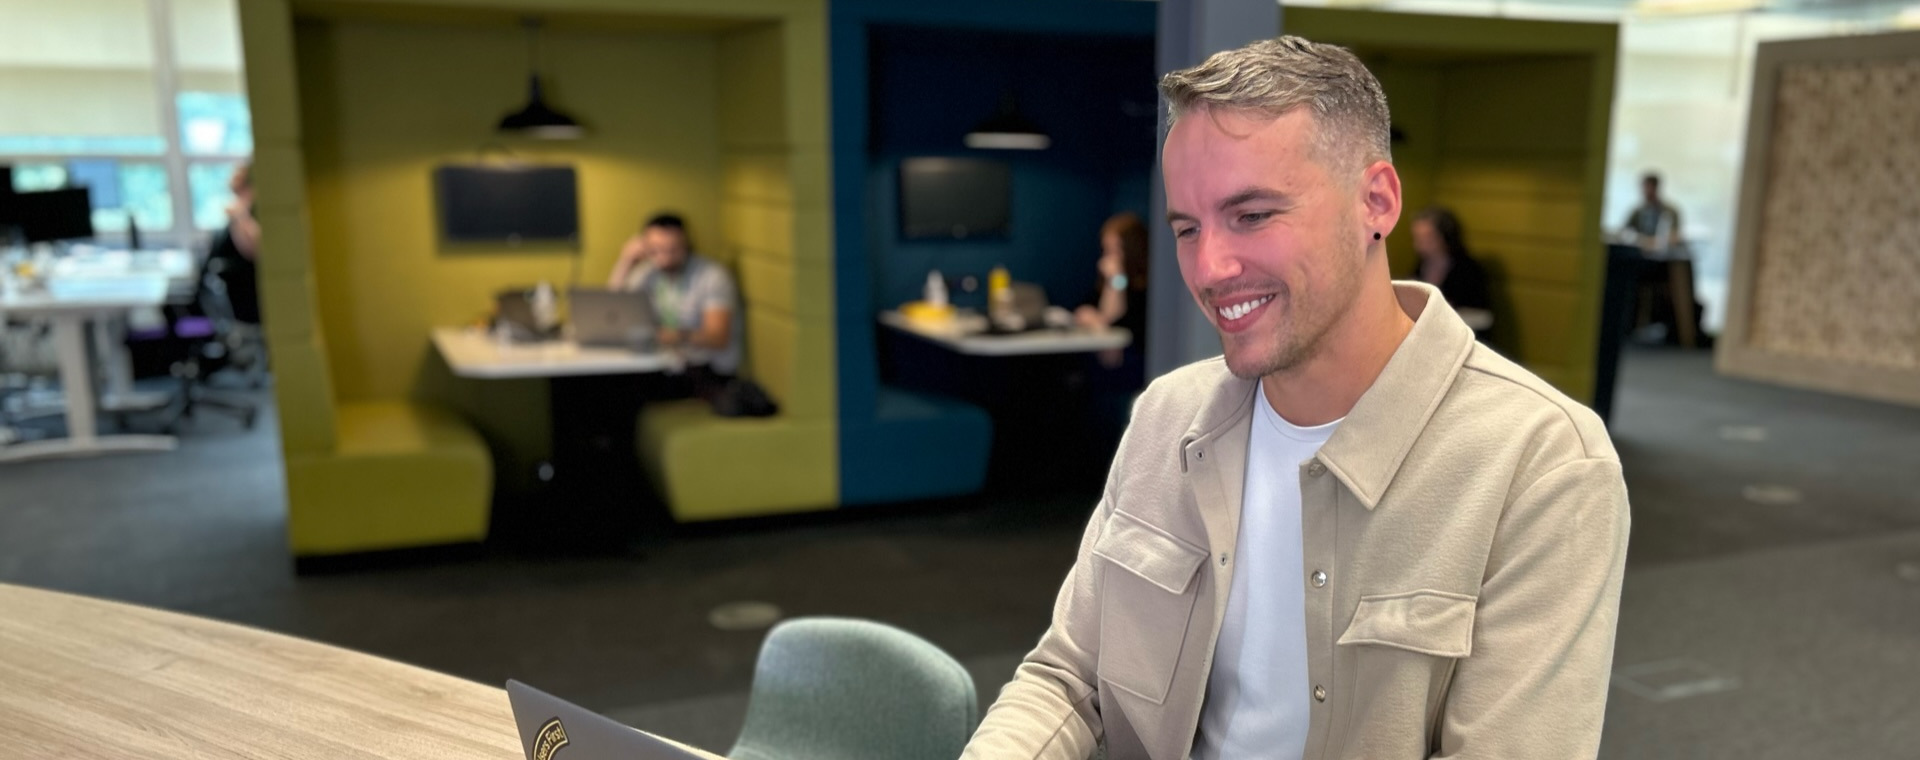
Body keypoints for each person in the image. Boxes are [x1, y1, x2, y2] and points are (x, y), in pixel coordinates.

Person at [962, 36, 1629, 760]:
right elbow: (1071, 678)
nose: (1210, 267)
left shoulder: (1542, 464)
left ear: (1376, 201)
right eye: (1187, 228)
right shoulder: (1167, 415)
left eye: (1252, 215)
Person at [609, 213, 741, 393]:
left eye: (673, 250)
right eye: (656, 250)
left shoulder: (712, 276)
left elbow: (718, 337)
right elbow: (611, 310)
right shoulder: (648, 272)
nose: (665, 258)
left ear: (687, 245)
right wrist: (625, 261)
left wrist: (672, 336)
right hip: (664, 364)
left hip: (705, 370)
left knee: (619, 392)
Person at [1074, 212, 1150, 371]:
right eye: (1106, 250)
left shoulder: (1144, 290)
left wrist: (1116, 279)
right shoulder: (1104, 285)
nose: (1108, 258)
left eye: (1115, 250)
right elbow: (1084, 310)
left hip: (1131, 366)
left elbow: (1110, 317)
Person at [1409, 205, 1495, 344]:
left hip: (1463, 342)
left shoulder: (1468, 269)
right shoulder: (1421, 266)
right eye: (1417, 239)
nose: (1419, 245)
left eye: (1428, 239)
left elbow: (1484, 318)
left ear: (1446, 237)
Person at [207, 162, 261, 325]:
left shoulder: (249, 215)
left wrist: (240, 218)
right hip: (229, 299)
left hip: (248, 300)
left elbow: (253, 251)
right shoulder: (240, 211)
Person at [1621, 171, 1683, 254]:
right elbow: (1625, 233)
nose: (1645, 191)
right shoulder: (1638, 212)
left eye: (1649, 187)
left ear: (1656, 188)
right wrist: (1643, 241)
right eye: (1644, 187)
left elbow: (1674, 237)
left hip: (1663, 254)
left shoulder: (1670, 211)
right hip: (1640, 253)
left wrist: (1655, 242)